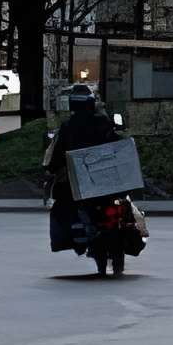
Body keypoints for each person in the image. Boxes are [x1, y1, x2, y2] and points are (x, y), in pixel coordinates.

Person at [45, 83, 123, 249]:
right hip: (103, 179)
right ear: (91, 103)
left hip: (80, 183)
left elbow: (57, 156)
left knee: (62, 201)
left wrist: (52, 167)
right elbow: (117, 145)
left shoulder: (68, 127)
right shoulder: (103, 123)